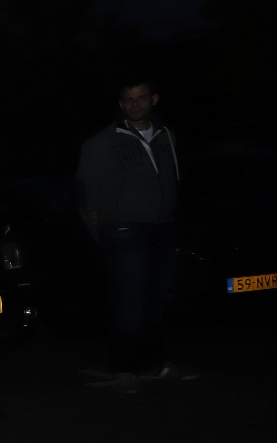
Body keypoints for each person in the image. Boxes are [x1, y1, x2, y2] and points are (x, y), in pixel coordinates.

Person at [76, 79, 194, 394]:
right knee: (128, 301)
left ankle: (155, 365)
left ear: (154, 99)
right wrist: (102, 228)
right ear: (121, 104)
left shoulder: (166, 136)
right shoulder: (102, 142)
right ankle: (125, 369)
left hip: (162, 227)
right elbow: (85, 192)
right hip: (124, 230)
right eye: (129, 99)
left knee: (157, 298)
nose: (135, 104)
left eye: (141, 98)